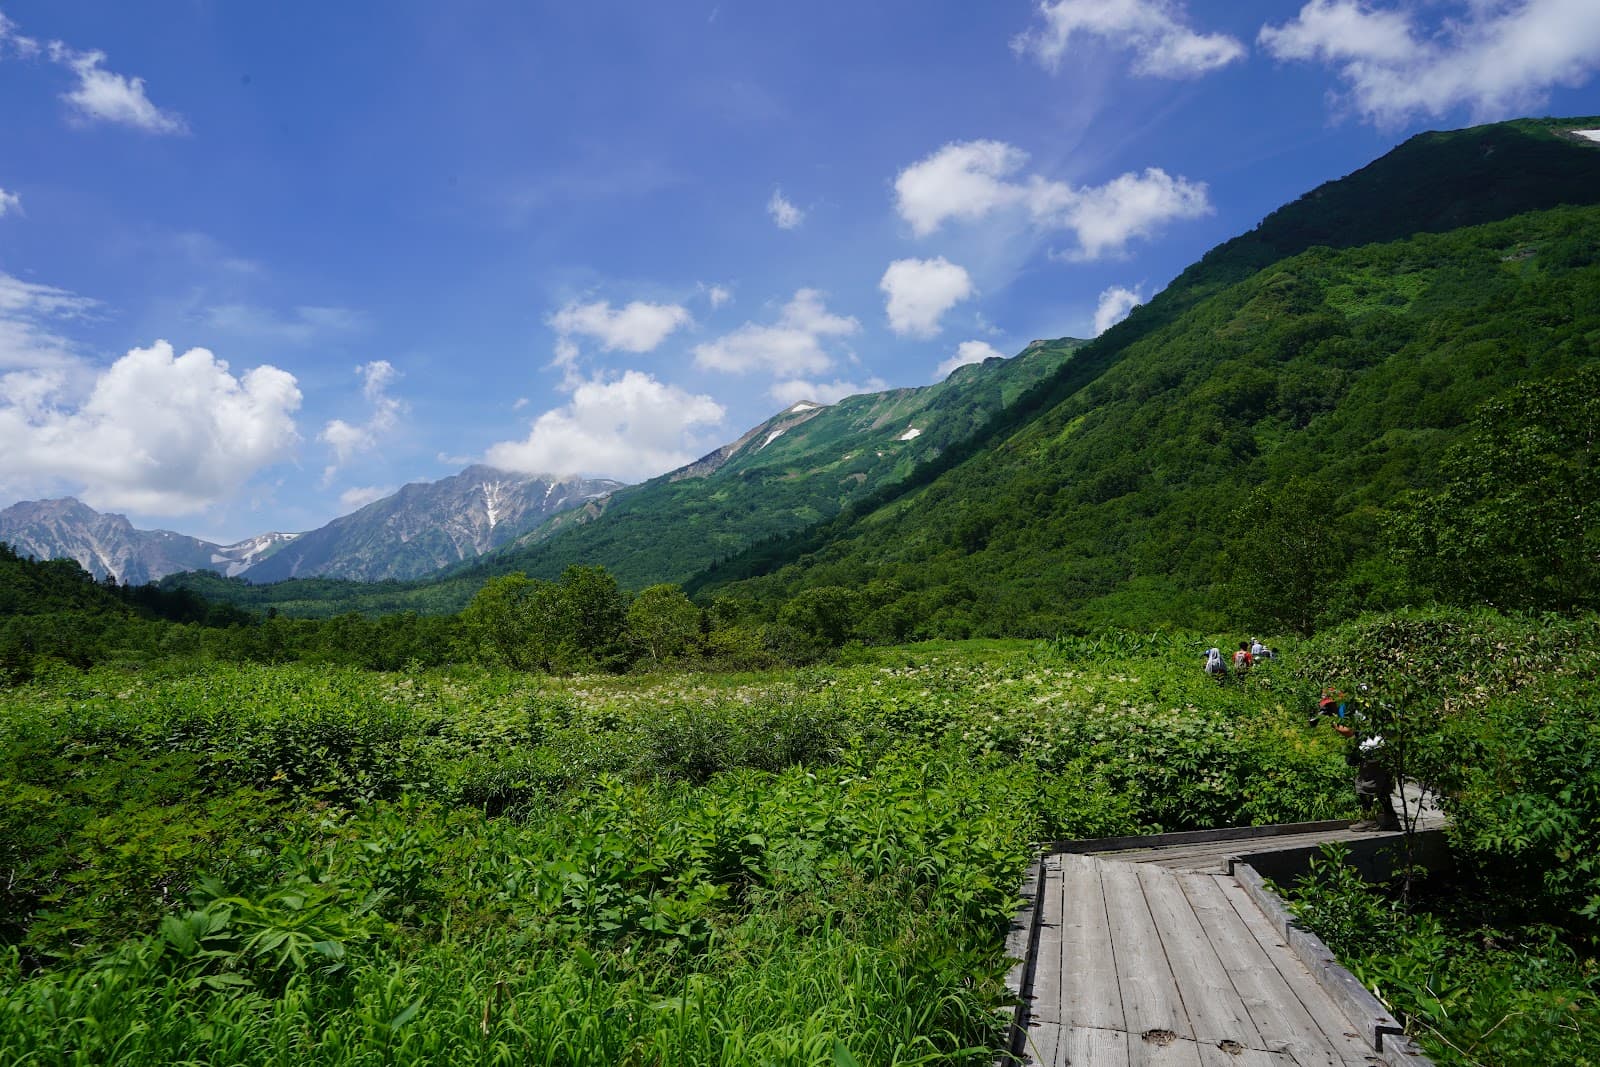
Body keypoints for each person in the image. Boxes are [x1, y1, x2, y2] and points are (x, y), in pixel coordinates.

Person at [1332, 718, 1399, 831]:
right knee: (1382, 787)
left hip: (1371, 749)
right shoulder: (1374, 707)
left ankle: (1369, 820)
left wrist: (1335, 726)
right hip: (1384, 747)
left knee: (1364, 786)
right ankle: (1391, 819)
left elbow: (1348, 731)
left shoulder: (1350, 709)